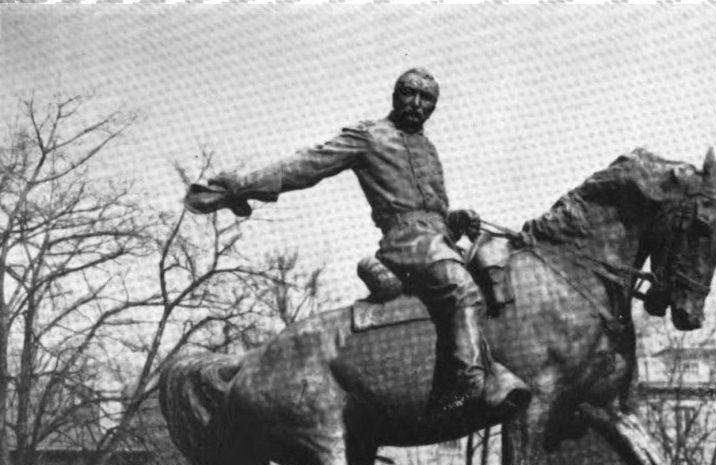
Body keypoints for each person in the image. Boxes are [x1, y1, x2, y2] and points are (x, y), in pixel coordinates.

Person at [187, 68, 529, 419]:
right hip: (406, 243)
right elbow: (307, 165)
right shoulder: (370, 136)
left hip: (438, 242)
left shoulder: (428, 147)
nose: (415, 103)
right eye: (407, 93)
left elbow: (433, 213)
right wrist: (242, 186)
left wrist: (456, 220)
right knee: (462, 291)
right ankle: (469, 386)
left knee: (497, 277)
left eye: (425, 99)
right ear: (394, 94)